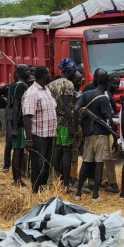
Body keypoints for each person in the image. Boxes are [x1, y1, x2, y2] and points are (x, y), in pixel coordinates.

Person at [74, 73, 114, 201]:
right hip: (101, 134)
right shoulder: (104, 98)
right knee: (99, 164)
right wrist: (114, 132)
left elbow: (76, 109)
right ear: (107, 84)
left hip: (88, 134)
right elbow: (109, 118)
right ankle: (95, 195)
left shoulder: (86, 94)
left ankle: (78, 194)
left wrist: (77, 126)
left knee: (85, 163)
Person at [22, 66, 57, 193]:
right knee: (38, 166)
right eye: (48, 74)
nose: (50, 76)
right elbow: (26, 117)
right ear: (43, 76)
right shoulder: (32, 93)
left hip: (49, 134)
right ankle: (36, 191)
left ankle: (43, 190)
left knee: (47, 165)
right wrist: (29, 139)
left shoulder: (46, 90)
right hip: (38, 136)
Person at [49, 58, 77, 193]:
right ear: (70, 71)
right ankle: (66, 185)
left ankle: (56, 182)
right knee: (66, 152)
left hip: (54, 121)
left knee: (56, 152)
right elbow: (67, 106)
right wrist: (72, 124)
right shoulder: (69, 84)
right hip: (65, 122)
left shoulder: (51, 84)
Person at [9, 64, 31, 186]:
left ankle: (18, 179)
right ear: (20, 73)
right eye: (26, 70)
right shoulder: (20, 86)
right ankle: (16, 180)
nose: (28, 72)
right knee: (18, 151)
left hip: (20, 123)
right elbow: (16, 107)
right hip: (20, 123)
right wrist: (15, 127)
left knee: (20, 151)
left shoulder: (23, 85)